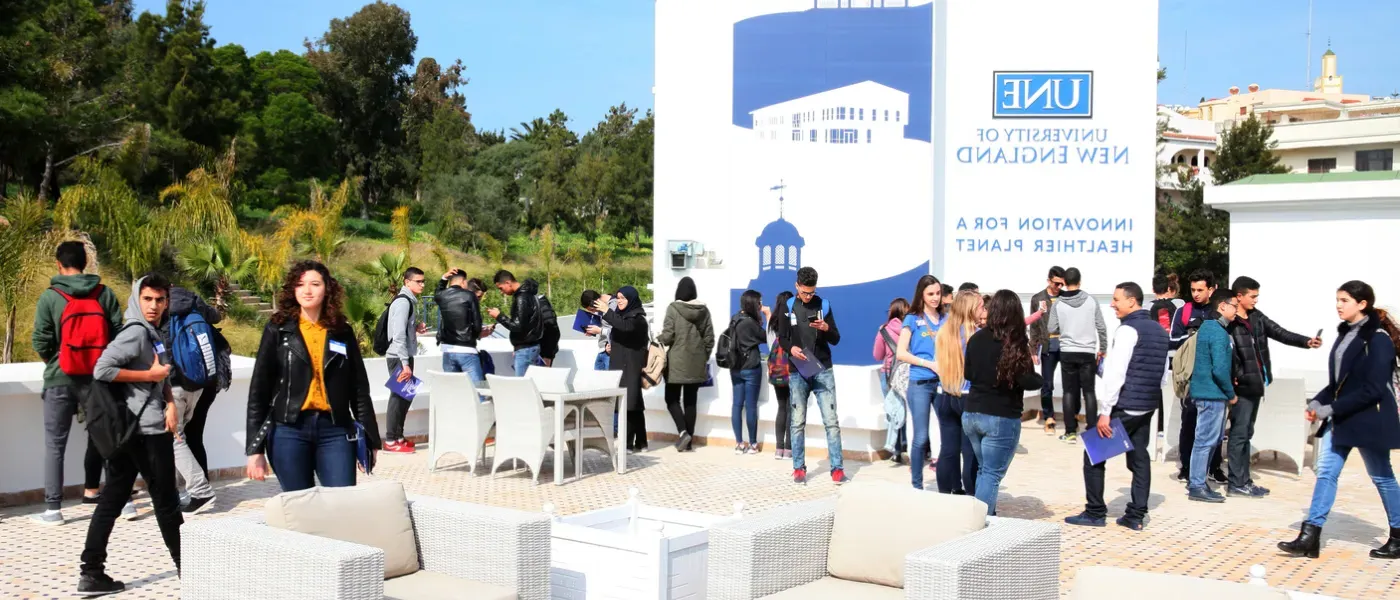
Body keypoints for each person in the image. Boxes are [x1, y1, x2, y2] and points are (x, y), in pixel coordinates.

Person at [1278, 280, 1400, 560]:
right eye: (1337, 299)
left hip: (1370, 418)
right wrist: (1319, 402)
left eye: (1344, 300)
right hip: (1344, 416)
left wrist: (1329, 409)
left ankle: (1399, 535)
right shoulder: (1346, 335)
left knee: (1382, 477)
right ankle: (1310, 536)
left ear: (1362, 304)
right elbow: (1339, 382)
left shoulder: (1378, 338)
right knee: (1326, 471)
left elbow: (1373, 389)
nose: (1338, 305)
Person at [78, 275, 182, 595]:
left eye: (160, 300)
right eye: (148, 299)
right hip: (145, 433)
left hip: (136, 430)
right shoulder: (136, 331)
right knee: (166, 503)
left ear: (167, 302)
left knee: (111, 500)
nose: (154, 306)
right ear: (137, 298)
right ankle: (189, 568)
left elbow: (160, 374)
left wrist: (169, 402)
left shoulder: (152, 332)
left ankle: (91, 573)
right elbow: (102, 369)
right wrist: (148, 374)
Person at [246, 261, 380, 493]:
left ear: (327, 288)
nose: (307, 291)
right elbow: (259, 390)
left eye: (315, 284)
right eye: (300, 285)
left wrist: (371, 438)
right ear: (292, 290)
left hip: (335, 429)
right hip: (288, 430)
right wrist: (255, 450)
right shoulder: (278, 329)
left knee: (342, 501)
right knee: (300, 505)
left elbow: (358, 387)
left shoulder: (342, 331)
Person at [31, 241, 126, 526]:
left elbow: (41, 340)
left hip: (60, 377)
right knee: (108, 439)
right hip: (98, 377)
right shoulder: (104, 293)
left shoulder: (50, 296)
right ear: (85, 263)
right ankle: (124, 502)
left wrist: (58, 359)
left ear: (59, 264)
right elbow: (120, 334)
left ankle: (53, 509)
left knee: (55, 444)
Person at [1065, 281, 1169, 531]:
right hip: (1147, 404)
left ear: (1132, 301)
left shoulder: (1127, 330)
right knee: (1139, 455)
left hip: (1126, 404)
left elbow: (1115, 374)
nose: (1112, 304)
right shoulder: (1158, 330)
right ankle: (1136, 515)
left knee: (1093, 454)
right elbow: (1164, 372)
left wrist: (1105, 412)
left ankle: (1095, 512)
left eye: (1116, 299)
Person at [1225, 276, 1324, 498]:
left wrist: (1307, 342)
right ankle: (1236, 483)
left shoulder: (1256, 318)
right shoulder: (1230, 322)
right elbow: (1226, 354)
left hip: (1256, 384)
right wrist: (1236, 376)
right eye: (1252, 296)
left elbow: (1280, 332)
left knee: (1246, 433)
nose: (1256, 301)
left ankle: (1244, 481)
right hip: (1242, 387)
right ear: (1239, 296)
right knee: (1239, 434)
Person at [963, 290, 1043, 515]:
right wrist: (1042, 381)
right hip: (1000, 416)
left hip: (972, 413)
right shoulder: (1014, 342)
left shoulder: (976, 338)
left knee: (984, 470)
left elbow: (968, 373)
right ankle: (982, 525)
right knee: (991, 473)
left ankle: (981, 517)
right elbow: (1026, 379)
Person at [777, 266, 848, 485]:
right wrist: (791, 350)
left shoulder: (823, 305)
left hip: (823, 370)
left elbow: (836, 338)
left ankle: (837, 468)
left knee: (831, 422)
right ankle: (798, 467)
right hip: (798, 370)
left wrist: (826, 327)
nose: (808, 297)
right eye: (805, 292)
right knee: (797, 422)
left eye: (812, 292)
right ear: (797, 286)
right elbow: (782, 337)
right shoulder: (788, 306)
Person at [162, 285, 224, 514]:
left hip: (174, 385)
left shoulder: (161, 308)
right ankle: (186, 491)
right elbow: (216, 317)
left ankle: (200, 491)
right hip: (199, 384)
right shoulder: (194, 301)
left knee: (174, 438)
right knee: (186, 437)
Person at [1184, 289, 1239, 503]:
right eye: (1234, 305)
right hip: (1212, 394)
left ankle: (1198, 481)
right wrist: (1231, 393)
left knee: (1209, 439)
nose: (1236, 310)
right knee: (1205, 440)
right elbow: (1219, 369)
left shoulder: (1208, 328)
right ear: (1222, 306)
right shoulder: (1217, 332)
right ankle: (1197, 484)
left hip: (1207, 393)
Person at [896, 276, 949, 490]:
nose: (935, 298)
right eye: (930, 294)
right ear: (922, 295)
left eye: (938, 293)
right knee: (920, 437)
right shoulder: (912, 319)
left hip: (943, 382)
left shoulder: (946, 318)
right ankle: (917, 485)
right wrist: (928, 364)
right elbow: (901, 352)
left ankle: (947, 482)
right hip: (919, 382)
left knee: (948, 434)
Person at [1172, 269, 1225, 484]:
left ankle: (1214, 467)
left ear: (1211, 290)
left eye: (1200, 290)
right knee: (1189, 423)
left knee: (1216, 426)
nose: (1195, 294)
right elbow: (1172, 342)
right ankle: (1186, 467)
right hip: (1191, 379)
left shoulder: (1220, 311)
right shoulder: (1183, 311)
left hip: (1215, 378)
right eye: (1193, 290)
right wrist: (1194, 337)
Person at [927, 290, 982, 494]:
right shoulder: (974, 335)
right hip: (967, 397)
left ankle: (944, 495)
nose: (983, 311)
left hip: (944, 394)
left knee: (948, 451)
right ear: (971, 309)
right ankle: (971, 499)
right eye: (980, 307)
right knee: (969, 453)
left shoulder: (943, 332)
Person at [1047, 267, 1106, 444]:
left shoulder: (1058, 303)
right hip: (1087, 351)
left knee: (1068, 392)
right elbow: (1101, 327)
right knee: (1089, 391)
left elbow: (1051, 328)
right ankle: (1092, 431)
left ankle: (1070, 432)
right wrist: (1102, 348)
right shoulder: (1091, 300)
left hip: (1067, 351)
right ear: (1080, 281)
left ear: (1064, 282)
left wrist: (1066, 328)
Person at [657, 277, 715, 452]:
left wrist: (656, 339)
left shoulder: (673, 309)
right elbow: (709, 338)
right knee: (691, 402)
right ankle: (688, 442)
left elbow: (668, 336)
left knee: (671, 399)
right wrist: (702, 356)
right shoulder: (704, 310)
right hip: (696, 363)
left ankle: (683, 432)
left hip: (676, 362)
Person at [596, 286, 649, 451]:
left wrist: (606, 311)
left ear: (631, 300)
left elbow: (626, 327)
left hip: (631, 365)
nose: (619, 301)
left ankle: (627, 443)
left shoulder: (638, 318)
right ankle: (641, 442)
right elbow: (619, 333)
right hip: (620, 363)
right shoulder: (621, 315)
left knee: (629, 404)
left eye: (623, 298)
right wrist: (609, 347)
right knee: (634, 403)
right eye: (617, 298)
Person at [383, 268, 428, 454]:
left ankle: (399, 436)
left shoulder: (409, 302)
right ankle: (391, 440)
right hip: (398, 357)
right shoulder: (403, 302)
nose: (422, 285)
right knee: (398, 396)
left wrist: (415, 327)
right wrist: (405, 364)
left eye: (423, 281)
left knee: (406, 395)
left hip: (403, 356)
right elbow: (398, 335)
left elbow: (403, 329)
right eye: (418, 281)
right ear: (407, 282)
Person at [730, 290, 769, 455]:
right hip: (751, 367)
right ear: (754, 303)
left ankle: (739, 443)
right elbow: (768, 336)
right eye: (759, 302)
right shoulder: (751, 323)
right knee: (751, 406)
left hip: (735, 368)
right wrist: (768, 315)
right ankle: (753, 444)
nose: (760, 305)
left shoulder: (736, 318)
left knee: (737, 405)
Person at [435, 268, 490, 383]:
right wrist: (474, 335)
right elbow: (477, 323)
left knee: (454, 390)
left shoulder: (442, 296)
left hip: (447, 350)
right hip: (467, 349)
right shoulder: (469, 296)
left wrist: (444, 278)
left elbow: (437, 292)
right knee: (477, 390)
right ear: (463, 281)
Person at [1029, 266, 1067, 435]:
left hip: (1066, 344)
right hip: (1048, 344)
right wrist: (1032, 348)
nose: (1059, 287)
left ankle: (1070, 419)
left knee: (1071, 383)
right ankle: (1048, 417)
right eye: (1056, 284)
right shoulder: (1038, 298)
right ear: (1049, 280)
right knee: (1047, 384)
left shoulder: (1067, 298)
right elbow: (1034, 326)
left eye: (1062, 284)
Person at [874, 297, 910, 463]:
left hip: (889, 375)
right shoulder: (910, 329)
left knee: (893, 410)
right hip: (907, 375)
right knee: (908, 412)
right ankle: (907, 446)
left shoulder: (884, 330)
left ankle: (896, 451)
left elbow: (877, 355)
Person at [490, 270, 546, 375]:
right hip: (528, 347)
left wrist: (499, 316)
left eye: (501, 288)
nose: (501, 292)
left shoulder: (522, 298)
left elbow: (517, 326)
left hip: (526, 349)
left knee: (522, 385)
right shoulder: (528, 294)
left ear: (508, 283)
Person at [768, 291, 794, 460]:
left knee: (781, 407)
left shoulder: (773, 321)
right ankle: (789, 448)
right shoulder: (793, 319)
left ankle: (778, 448)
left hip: (777, 369)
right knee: (792, 409)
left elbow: (771, 344)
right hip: (791, 369)